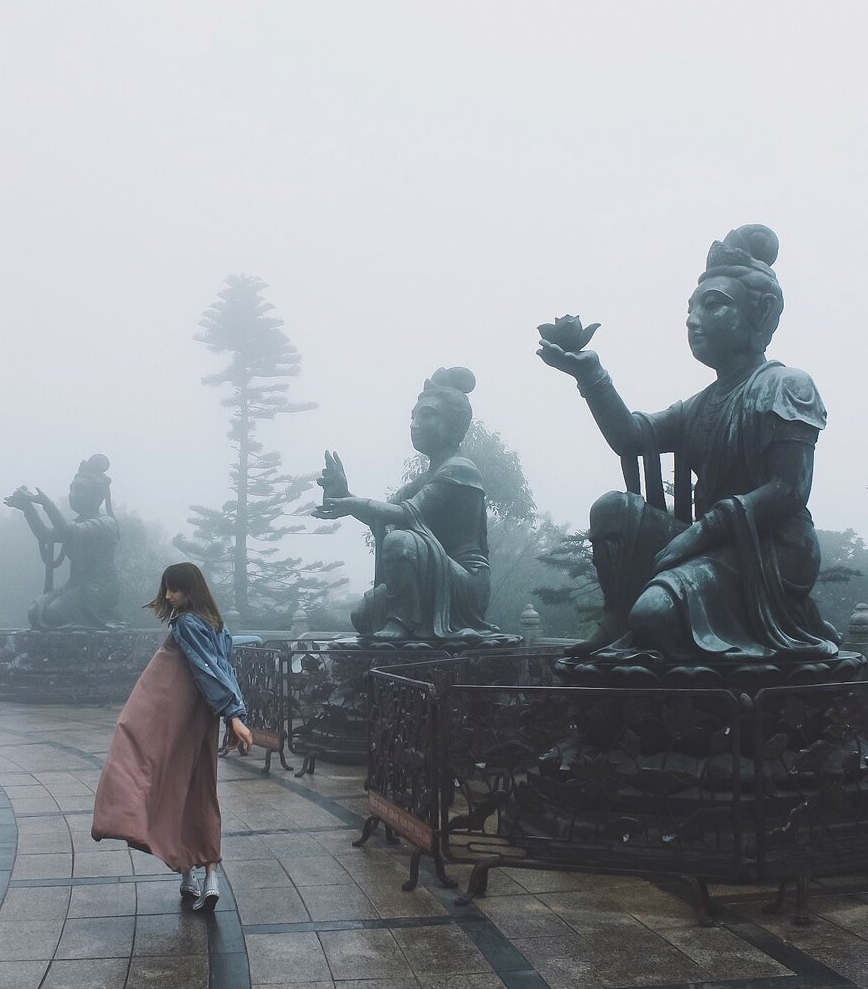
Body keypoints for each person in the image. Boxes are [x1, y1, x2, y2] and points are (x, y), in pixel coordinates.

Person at [537, 224, 839, 661]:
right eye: (690, 308)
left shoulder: (787, 386)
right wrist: (590, 376)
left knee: (657, 613)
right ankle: (615, 617)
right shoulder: (698, 405)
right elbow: (630, 438)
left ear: (762, 312)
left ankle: (707, 689)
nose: (693, 319)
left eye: (712, 305)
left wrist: (701, 532)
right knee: (612, 507)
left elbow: (790, 490)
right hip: (711, 544)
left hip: (771, 552)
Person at [91, 562, 252, 910]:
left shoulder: (187, 624)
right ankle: (204, 876)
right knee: (201, 790)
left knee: (149, 773)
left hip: (174, 717)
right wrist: (233, 713)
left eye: (174, 589)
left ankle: (189, 874)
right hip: (202, 717)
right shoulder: (218, 627)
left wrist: (234, 715)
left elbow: (207, 668)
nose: (168, 596)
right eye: (167, 588)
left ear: (190, 590)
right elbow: (224, 669)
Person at [313, 367, 496, 640]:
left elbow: (406, 515)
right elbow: (384, 514)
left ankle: (403, 623)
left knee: (400, 541)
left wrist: (352, 503)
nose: (414, 424)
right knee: (364, 616)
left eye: (428, 415)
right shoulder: (427, 476)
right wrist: (345, 495)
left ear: (456, 425)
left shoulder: (460, 469)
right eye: (413, 417)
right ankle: (399, 622)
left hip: (465, 582)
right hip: (432, 575)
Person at [5, 454, 121, 629]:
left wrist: (47, 503)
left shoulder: (105, 523)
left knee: (53, 613)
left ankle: (81, 640)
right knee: (35, 610)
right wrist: (27, 508)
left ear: (97, 495)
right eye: (72, 489)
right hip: (75, 585)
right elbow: (45, 535)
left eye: (80, 489)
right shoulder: (77, 522)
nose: (73, 495)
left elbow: (69, 532)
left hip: (101, 587)